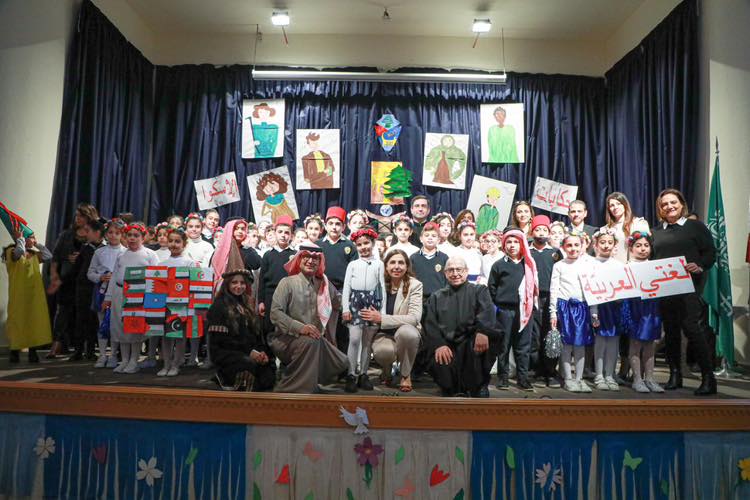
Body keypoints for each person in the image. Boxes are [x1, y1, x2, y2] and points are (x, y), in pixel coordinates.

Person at [652, 188, 717, 395]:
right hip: (664, 288)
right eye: (664, 204)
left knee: (691, 328)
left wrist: (700, 265)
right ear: (660, 209)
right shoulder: (656, 232)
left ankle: (708, 378)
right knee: (670, 331)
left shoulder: (695, 227)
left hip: (689, 286)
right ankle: (675, 374)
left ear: (681, 204)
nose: (669, 207)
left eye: (673, 202)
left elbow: (710, 253)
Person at [269, 242, 349, 393]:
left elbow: (339, 302)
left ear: (320, 262)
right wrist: (301, 328)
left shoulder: (324, 284)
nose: (311, 261)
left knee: (342, 361)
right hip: (285, 339)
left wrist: (354, 313)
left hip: (316, 339)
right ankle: (291, 389)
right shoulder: (287, 283)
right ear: (299, 259)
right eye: (306, 256)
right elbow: (275, 313)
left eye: (315, 258)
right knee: (311, 342)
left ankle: (305, 380)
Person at [425, 256, 498, 397]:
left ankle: (479, 386)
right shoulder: (436, 297)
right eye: (450, 270)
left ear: (466, 272)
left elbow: (487, 312)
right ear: (445, 273)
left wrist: (482, 332)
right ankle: (451, 389)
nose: (455, 273)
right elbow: (430, 323)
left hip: (472, 340)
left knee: (483, 345)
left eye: (459, 269)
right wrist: (439, 344)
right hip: (447, 343)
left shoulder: (479, 290)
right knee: (439, 358)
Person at [102, 222, 160, 374]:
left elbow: (156, 276)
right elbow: (114, 276)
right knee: (120, 328)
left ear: (143, 237)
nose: (132, 239)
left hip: (138, 295)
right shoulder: (121, 254)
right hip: (119, 294)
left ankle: (134, 360)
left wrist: (150, 296)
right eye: (129, 235)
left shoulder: (150, 254)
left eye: (136, 236)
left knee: (134, 328)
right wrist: (108, 297)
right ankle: (125, 360)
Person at [208, 267, 276, 391]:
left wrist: (260, 352)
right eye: (234, 282)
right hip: (226, 352)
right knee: (248, 366)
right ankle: (222, 377)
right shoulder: (219, 306)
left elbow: (255, 336)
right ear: (227, 284)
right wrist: (250, 352)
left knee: (268, 366)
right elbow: (221, 341)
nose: (239, 286)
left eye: (242, 283)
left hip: (247, 351)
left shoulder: (247, 305)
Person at [488, 228, 539, 391]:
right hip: (505, 311)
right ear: (504, 244)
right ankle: (503, 377)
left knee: (523, 346)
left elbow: (534, 287)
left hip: (525, 310)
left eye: (516, 242)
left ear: (522, 243)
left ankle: (523, 378)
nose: (512, 245)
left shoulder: (529, 264)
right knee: (504, 345)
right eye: (509, 242)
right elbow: (492, 287)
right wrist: (499, 304)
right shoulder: (499, 265)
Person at [366, 249, 423, 392]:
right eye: (392, 262)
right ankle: (386, 369)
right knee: (383, 352)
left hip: (405, 329)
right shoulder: (377, 284)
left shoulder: (415, 285)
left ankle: (405, 374)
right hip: (383, 333)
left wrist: (382, 318)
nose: (396, 266)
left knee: (408, 333)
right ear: (385, 266)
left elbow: (414, 318)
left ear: (407, 266)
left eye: (401, 263)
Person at [49, 203, 98, 358]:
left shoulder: (95, 234)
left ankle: (86, 348)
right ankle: (57, 344)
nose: (78, 219)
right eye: (77, 216)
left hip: (86, 280)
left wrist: (81, 256)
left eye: (82, 216)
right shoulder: (67, 235)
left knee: (86, 315)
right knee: (63, 312)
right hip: (67, 278)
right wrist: (54, 276)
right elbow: (55, 256)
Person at [341, 228, 386, 392]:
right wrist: (346, 308)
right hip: (355, 302)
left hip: (372, 303)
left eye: (366, 243)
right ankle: (351, 373)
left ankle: (364, 374)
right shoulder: (352, 264)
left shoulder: (379, 264)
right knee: (354, 339)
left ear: (373, 244)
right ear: (355, 246)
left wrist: (383, 313)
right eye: (359, 244)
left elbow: (382, 287)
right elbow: (346, 287)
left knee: (367, 342)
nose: (363, 247)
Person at [550, 231, 594, 393]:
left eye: (577, 244)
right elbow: (554, 290)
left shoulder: (587, 265)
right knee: (567, 344)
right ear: (563, 247)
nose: (573, 248)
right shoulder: (559, 265)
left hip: (582, 308)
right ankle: (568, 378)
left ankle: (579, 378)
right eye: (569, 245)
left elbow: (593, 289)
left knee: (580, 345)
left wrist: (594, 311)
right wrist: (553, 313)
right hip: (565, 308)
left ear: (582, 246)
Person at [622, 231, 664, 393]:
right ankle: (637, 379)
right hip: (635, 307)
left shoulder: (656, 266)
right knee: (635, 343)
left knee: (650, 344)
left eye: (646, 245)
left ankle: (650, 379)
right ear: (631, 248)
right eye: (638, 246)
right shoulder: (627, 267)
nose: (643, 249)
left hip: (652, 308)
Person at [3, 229, 53, 363]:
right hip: (18, 294)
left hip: (34, 294)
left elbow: (48, 255)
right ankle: (14, 351)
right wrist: (20, 239)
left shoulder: (33, 254)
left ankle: (33, 351)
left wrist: (37, 244)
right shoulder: (11, 252)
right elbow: (18, 253)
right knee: (17, 321)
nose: (33, 239)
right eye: (31, 237)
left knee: (33, 322)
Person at [156, 227, 197, 376]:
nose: (174, 244)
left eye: (177, 241)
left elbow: (193, 285)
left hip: (181, 305)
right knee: (166, 335)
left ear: (184, 244)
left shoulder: (189, 263)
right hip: (165, 305)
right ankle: (166, 364)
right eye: (171, 241)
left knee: (179, 335)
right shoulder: (162, 264)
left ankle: (176, 364)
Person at [87, 218, 126, 368]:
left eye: (117, 233)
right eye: (110, 232)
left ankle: (113, 355)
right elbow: (90, 273)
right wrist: (101, 277)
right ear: (105, 234)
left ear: (122, 234)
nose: (113, 235)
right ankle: (102, 355)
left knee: (116, 324)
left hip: (118, 292)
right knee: (102, 323)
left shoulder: (125, 252)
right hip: (102, 291)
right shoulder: (99, 252)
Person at [319, 207, 358, 352]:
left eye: (338, 224)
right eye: (331, 223)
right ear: (325, 225)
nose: (334, 227)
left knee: (342, 330)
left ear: (343, 226)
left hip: (343, 292)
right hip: (321, 291)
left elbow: (354, 273)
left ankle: (342, 363)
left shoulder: (349, 246)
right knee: (323, 328)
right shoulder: (318, 245)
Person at [528, 215, 561, 387]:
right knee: (534, 336)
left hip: (550, 298)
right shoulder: (527, 251)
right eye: (537, 229)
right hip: (532, 298)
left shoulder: (555, 253)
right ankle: (537, 370)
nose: (541, 232)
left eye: (544, 230)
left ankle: (551, 372)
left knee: (550, 335)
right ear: (532, 232)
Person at [590, 228, 623, 391]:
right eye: (602, 242)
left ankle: (610, 374)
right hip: (599, 308)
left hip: (615, 307)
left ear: (615, 245)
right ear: (596, 244)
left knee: (613, 342)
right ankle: (599, 375)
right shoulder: (590, 264)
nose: (606, 246)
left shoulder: (619, 265)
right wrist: (593, 311)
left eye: (609, 243)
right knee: (600, 342)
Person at [70, 218, 106, 361]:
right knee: (81, 319)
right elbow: (77, 268)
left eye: (88, 231)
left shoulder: (105, 249)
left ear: (98, 232)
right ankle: (78, 350)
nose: (86, 234)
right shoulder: (85, 248)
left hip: (98, 289)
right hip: (83, 288)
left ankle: (91, 350)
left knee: (94, 320)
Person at [257, 216, 295, 335]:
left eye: (287, 233)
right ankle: (269, 353)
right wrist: (261, 301)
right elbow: (262, 280)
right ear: (275, 233)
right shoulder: (268, 255)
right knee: (269, 327)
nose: (283, 235)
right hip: (270, 295)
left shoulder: (295, 255)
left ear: (291, 236)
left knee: (287, 328)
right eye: (280, 232)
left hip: (289, 297)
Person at [603, 192, 649, 263]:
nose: (615, 207)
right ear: (609, 209)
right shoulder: (605, 229)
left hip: (635, 267)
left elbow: (646, 247)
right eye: (612, 205)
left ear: (625, 205)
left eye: (618, 204)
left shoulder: (639, 223)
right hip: (615, 268)